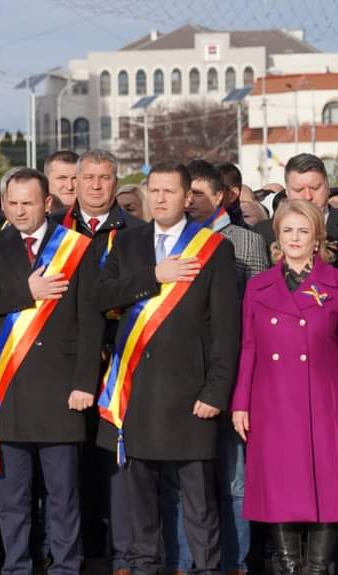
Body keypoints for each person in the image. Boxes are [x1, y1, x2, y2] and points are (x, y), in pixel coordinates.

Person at [96, 162, 240, 574]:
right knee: (139, 501)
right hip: (137, 395)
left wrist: (215, 391)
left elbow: (225, 330)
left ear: (186, 197)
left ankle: (207, 568)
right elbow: (100, 298)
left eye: (169, 192)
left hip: (190, 396)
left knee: (199, 504)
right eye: (153, 191)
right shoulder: (126, 244)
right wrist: (153, 277)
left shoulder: (212, 247)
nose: (160, 199)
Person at [0, 168, 103, 575]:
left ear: (47, 203)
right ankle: (17, 567)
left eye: (28, 202)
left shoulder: (76, 247)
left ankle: (65, 568)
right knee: (12, 496)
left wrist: (83, 383)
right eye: (12, 203)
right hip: (10, 389)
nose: (20, 211)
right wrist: (27, 292)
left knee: (63, 495)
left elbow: (90, 320)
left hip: (62, 390)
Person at [232, 199, 338, 575]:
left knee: (328, 485)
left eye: (303, 231)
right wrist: (240, 403)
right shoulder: (259, 286)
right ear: (276, 235)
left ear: (317, 238)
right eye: (287, 230)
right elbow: (248, 347)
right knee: (278, 487)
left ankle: (317, 567)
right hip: (271, 401)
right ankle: (290, 566)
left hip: (324, 401)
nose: (295, 238)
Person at [59, 149, 144, 572]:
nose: (96, 185)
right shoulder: (56, 228)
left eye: (105, 177)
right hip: (64, 363)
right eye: (88, 177)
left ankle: (124, 553)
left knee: (116, 460)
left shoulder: (136, 231)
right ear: (75, 182)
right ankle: (82, 550)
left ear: (115, 182)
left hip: (118, 360)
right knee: (70, 462)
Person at [186, 160, 267, 574]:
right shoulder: (175, 241)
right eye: (189, 193)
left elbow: (259, 313)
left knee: (235, 482)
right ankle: (189, 561)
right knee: (189, 479)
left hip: (235, 374)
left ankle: (235, 562)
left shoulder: (245, 242)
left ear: (220, 196)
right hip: (187, 377)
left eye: (201, 193)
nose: (192, 200)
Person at [253, 154, 338, 277]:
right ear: (287, 192)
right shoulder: (263, 233)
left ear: (328, 187)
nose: (308, 196)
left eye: (315, 188)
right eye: (298, 190)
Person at [44, 150, 79, 214]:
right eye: (62, 178)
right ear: (46, 181)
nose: (70, 187)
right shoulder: (35, 221)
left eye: (74, 178)